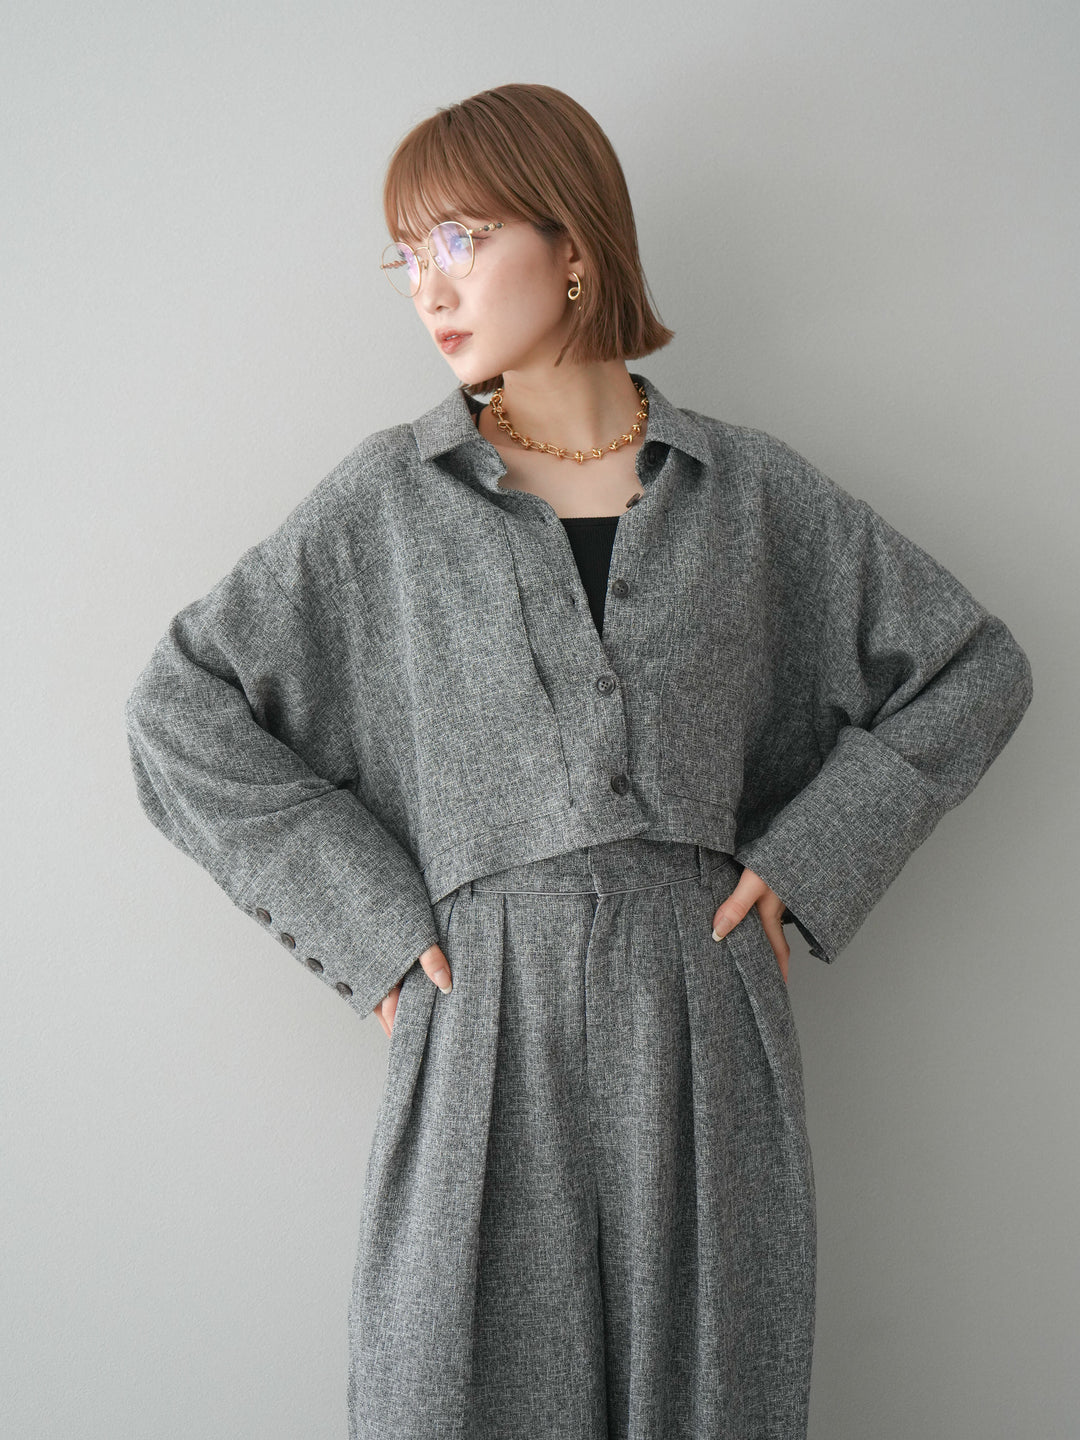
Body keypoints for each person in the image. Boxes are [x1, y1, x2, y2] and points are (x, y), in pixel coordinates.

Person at [123, 83, 1034, 1440]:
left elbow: (973, 670)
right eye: (406, 254)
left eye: (462, 239)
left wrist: (806, 861)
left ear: (573, 244)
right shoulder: (390, 502)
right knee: (456, 1395)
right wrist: (370, 924)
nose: (431, 287)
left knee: (713, 1400)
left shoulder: (750, 494)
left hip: (705, 1018)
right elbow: (178, 711)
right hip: (483, 1017)